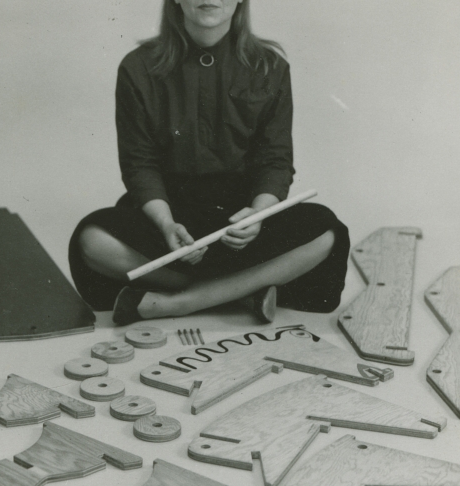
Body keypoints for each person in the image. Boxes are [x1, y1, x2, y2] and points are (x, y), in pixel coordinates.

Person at [68, 0, 350, 326]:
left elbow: (275, 160)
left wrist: (259, 213)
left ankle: (182, 302)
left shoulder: (270, 66)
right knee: (91, 239)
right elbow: (139, 163)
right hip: (168, 216)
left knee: (326, 231)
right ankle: (242, 292)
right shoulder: (138, 66)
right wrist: (166, 224)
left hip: (241, 219)